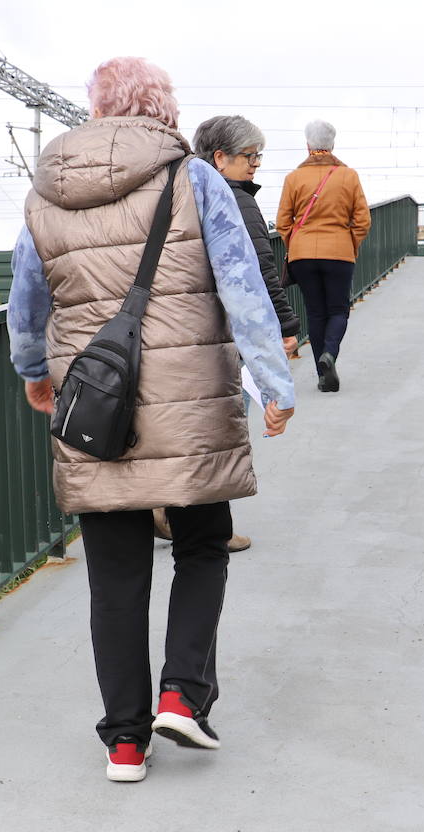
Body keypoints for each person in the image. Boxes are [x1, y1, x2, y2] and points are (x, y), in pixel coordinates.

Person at [6, 57, 295, 783]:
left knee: (115, 573)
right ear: (164, 111)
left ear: (97, 110)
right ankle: (183, 695)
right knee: (202, 544)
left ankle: (125, 743)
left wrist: (36, 375)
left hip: (95, 399)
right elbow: (241, 282)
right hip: (190, 398)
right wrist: (273, 383)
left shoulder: (47, 191)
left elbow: (26, 302)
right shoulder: (194, 177)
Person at [150, 115, 301, 554]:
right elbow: (257, 273)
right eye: (249, 156)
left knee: (174, 427)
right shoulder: (236, 200)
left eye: (259, 156)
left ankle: (162, 507)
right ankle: (214, 527)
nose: (256, 165)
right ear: (220, 158)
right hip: (216, 336)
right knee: (223, 428)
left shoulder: (173, 192)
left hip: (167, 332)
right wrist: (286, 328)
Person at [276, 119, 371, 393]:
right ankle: (330, 353)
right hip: (339, 253)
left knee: (316, 313)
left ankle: (322, 375)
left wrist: (296, 244)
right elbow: (362, 221)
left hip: (303, 256)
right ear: (333, 145)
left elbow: (283, 221)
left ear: (308, 145)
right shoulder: (348, 176)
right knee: (339, 309)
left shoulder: (294, 178)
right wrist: (348, 243)